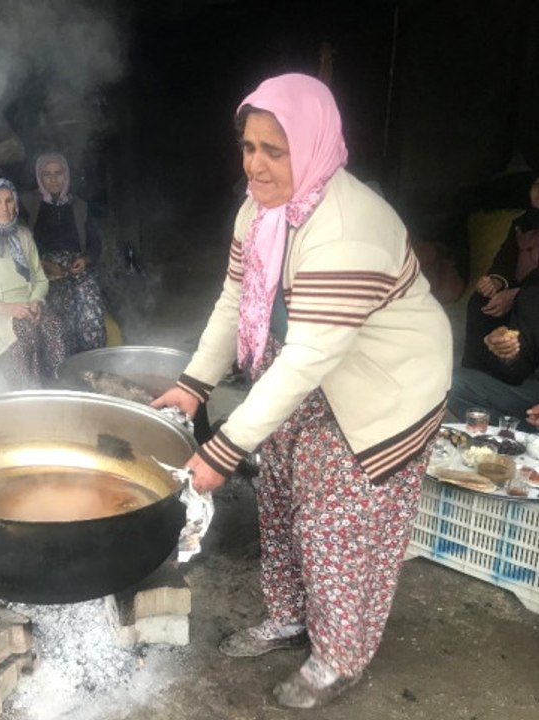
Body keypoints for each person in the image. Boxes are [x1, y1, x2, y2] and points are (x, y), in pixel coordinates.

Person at [151, 74, 451, 708]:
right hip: (310, 372)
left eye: (273, 150)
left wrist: (222, 448)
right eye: (248, 146)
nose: (254, 164)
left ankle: (339, 657)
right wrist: (192, 383)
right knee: (282, 495)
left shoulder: (347, 228)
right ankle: (290, 618)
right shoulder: (260, 210)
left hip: (381, 390)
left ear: (311, 147)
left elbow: (312, 352)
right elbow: (236, 298)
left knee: (337, 526)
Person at [0, 177, 65, 390]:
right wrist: (6, 308)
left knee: (54, 326)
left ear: (16, 203)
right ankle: (26, 398)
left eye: (9, 200)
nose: (4, 208)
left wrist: (35, 301)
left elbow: (40, 278)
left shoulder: (24, 235)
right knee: (24, 338)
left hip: (25, 307)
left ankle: (55, 390)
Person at [21, 152, 107, 354]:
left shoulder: (79, 206)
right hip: (43, 271)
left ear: (66, 175)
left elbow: (95, 244)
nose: (53, 179)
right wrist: (42, 263)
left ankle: (92, 362)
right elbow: (20, 243)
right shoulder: (27, 204)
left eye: (58, 173)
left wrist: (85, 259)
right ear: (39, 178)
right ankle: (67, 368)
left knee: (90, 308)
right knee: (60, 314)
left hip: (76, 269)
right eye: (47, 174)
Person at [461, 174, 539, 369]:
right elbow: (504, 261)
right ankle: (475, 369)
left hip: (534, 296)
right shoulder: (522, 223)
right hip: (520, 291)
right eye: (537, 185)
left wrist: (518, 294)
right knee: (481, 301)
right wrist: (496, 281)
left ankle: (514, 370)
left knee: (527, 304)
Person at [449, 272, 539, 428]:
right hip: (532, 395)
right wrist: (506, 351)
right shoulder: (533, 292)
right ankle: (510, 438)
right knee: (452, 383)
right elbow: (520, 369)